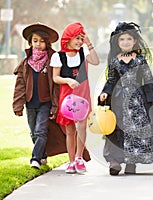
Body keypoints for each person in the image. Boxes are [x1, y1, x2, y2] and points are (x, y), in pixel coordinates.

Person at [98, 22, 153, 176]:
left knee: (136, 131)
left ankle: (131, 162)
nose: (126, 42)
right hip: (119, 101)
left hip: (138, 103)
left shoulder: (140, 60)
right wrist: (105, 92)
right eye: (122, 40)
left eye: (129, 39)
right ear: (117, 42)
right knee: (117, 129)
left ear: (134, 41)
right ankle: (114, 161)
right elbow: (111, 80)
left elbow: (148, 80)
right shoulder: (115, 61)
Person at [50, 22, 99, 174]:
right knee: (70, 130)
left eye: (81, 38)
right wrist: (68, 80)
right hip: (67, 98)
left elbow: (96, 61)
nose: (79, 42)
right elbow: (55, 78)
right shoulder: (59, 56)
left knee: (82, 127)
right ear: (68, 39)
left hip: (83, 96)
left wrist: (89, 44)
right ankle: (71, 161)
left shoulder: (83, 53)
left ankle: (79, 158)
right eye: (76, 38)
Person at [13, 23, 60, 169]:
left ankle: (35, 159)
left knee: (41, 131)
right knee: (33, 133)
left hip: (45, 103)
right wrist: (18, 104)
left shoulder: (52, 60)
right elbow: (20, 84)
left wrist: (55, 105)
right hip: (30, 102)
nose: (38, 44)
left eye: (41, 41)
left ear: (47, 43)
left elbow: (56, 85)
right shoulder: (26, 62)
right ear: (30, 42)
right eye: (35, 41)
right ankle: (43, 155)